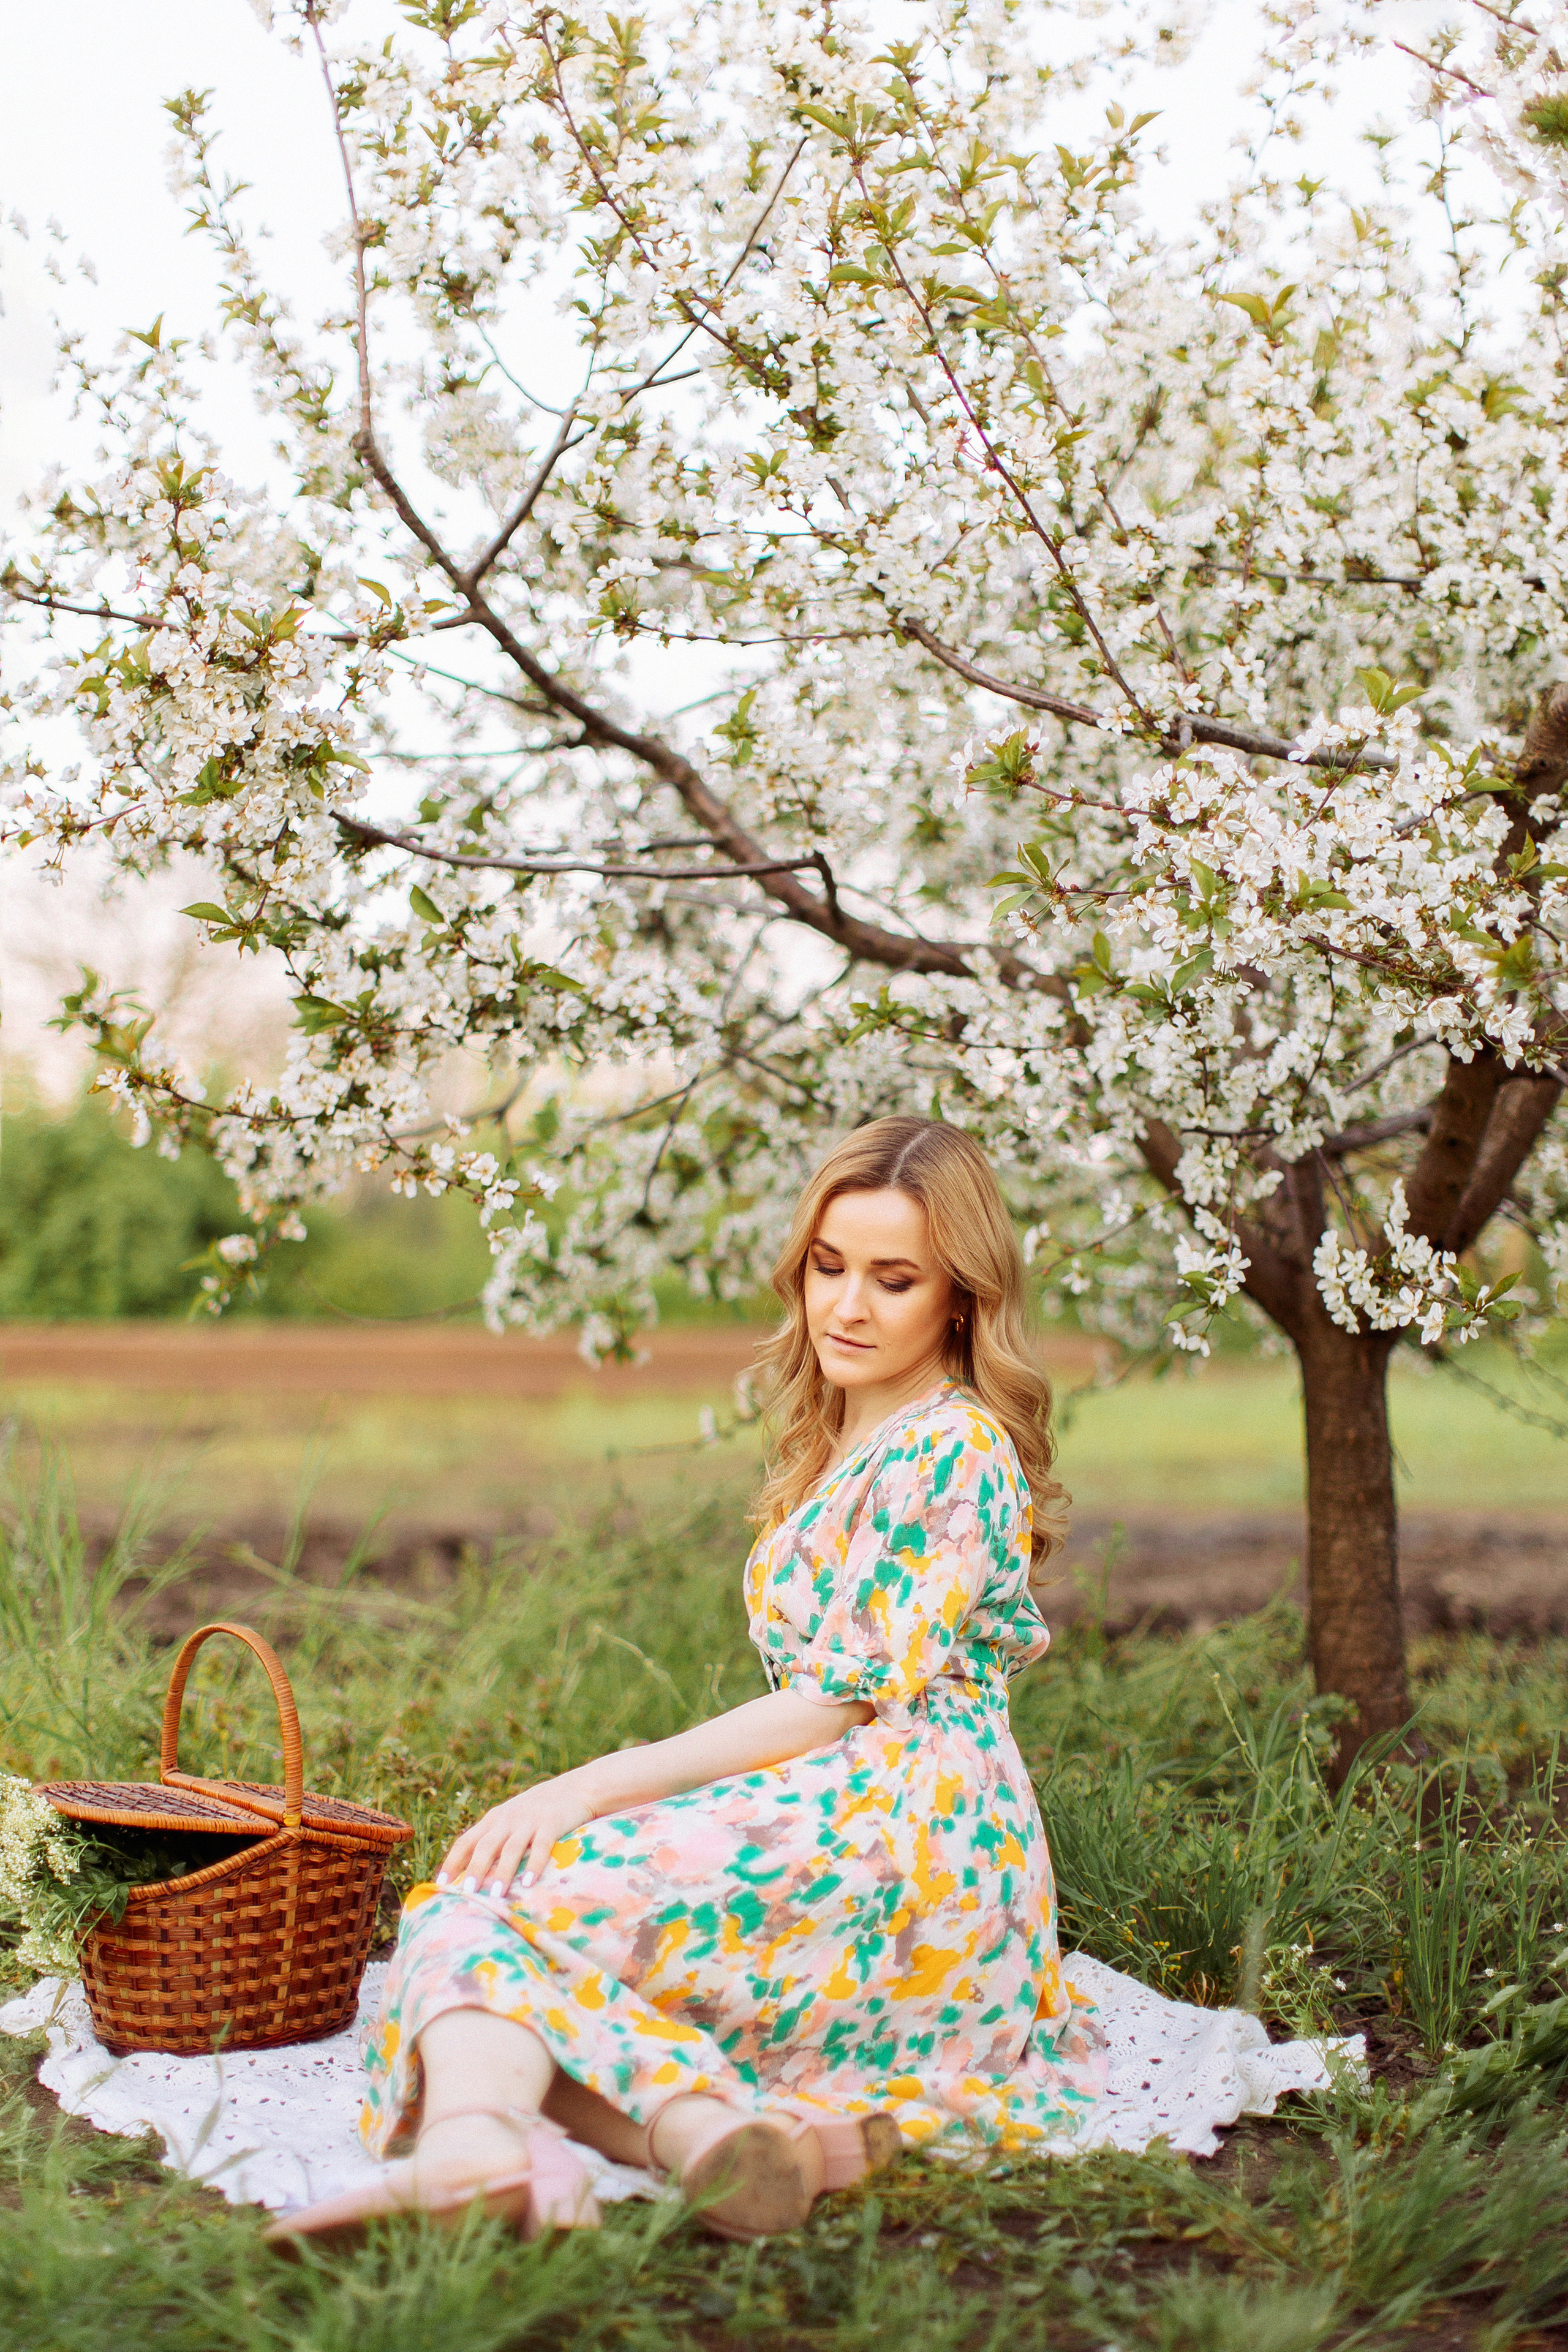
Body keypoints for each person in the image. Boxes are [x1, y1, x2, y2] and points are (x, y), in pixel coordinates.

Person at [268, 1117, 1107, 2249]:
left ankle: (508, 2149)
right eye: (829, 1267)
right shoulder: (850, 1435)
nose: (847, 1306)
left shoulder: (951, 1446)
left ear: (960, 1297)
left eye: (893, 1279)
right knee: (492, 1911)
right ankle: (695, 2140)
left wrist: (594, 1785)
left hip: (920, 1834)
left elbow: (841, 1697)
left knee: (505, 1904)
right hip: (852, 1794)